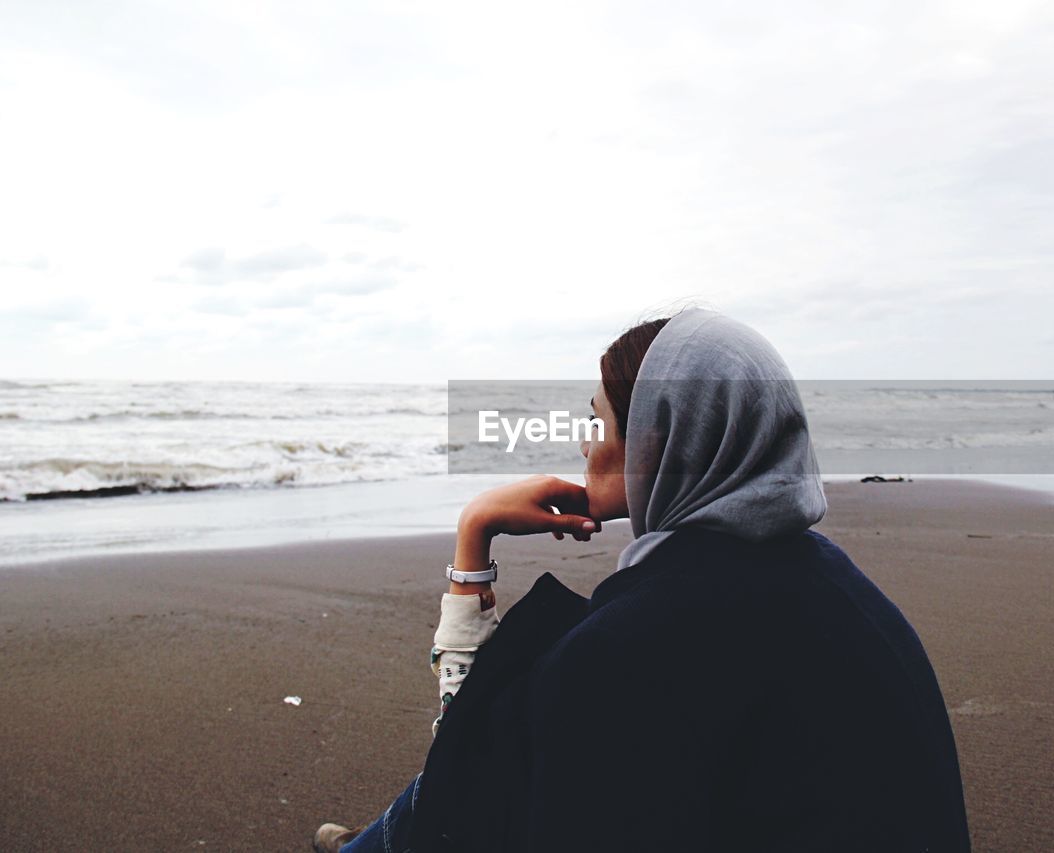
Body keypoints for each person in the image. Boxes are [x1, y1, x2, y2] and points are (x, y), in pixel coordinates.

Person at [313, 307, 970, 852]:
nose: (584, 442)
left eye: (597, 420)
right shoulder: (834, 581)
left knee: (451, 788)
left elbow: (464, 781)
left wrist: (473, 536)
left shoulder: (640, 643)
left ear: (658, 439)